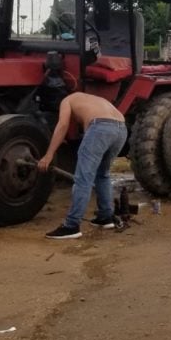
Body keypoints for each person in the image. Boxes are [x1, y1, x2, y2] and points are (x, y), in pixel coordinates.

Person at [39, 92, 127, 239]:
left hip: (100, 127)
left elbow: (63, 125)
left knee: (83, 179)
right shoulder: (95, 98)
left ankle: (71, 226)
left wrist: (49, 155)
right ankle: (106, 217)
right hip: (121, 128)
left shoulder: (67, 100)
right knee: (102, 174)